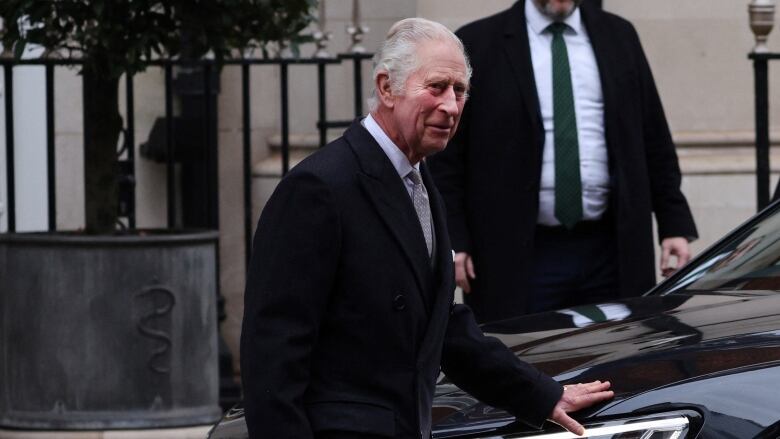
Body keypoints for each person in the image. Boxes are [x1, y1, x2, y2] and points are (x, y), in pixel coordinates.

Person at [241, 17, 613, 439]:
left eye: (460, 92)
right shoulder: (319, 188)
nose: (451, 107)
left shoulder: (418, 180)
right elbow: (272, 359)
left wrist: (542, 395)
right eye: (436, 87)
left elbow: (439, 323)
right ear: (386, 88)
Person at [428, 0, 699, 323]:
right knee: (522, 358)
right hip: (515, 252)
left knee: (620, 358)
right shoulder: (479, 42)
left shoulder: (619, 36)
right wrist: (454, 240)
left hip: (611, 248)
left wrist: (674, 224)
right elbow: (448, 158)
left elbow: (653, 134)